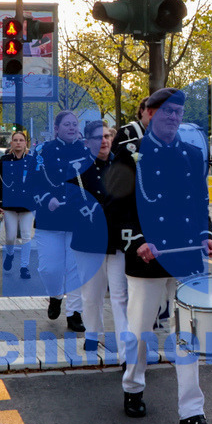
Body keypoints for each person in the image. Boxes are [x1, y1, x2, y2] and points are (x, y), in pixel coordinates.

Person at [106, 87, 212, 424]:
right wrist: (138, 241)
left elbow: (199, 201)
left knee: (187, 332)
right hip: (147, 256)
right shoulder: (130, 154)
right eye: (167, 111)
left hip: (186, 254)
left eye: (178, 112)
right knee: (141, 330)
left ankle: (192, 412)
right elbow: (116, 205)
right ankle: (133, 385)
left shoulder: (191, 154)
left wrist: (206, 233)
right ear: (151, 114)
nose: (173, 117)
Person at [71, 120, 127, 355]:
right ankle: (93, 336)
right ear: (87, 142)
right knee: (92, 295)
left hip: (117, 239)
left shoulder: (123, 164)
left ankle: (125, 344)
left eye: (106, 136)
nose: (103, 141)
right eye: (97, 137)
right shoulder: (77, 168)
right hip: (89, 239)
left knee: (120, 295)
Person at [32, 111, 87, 333]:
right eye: (67, 124)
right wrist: (47, 199)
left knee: (75, 269)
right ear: (56, 128)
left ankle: (74, 313)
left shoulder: (86, 151)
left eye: (74, 124)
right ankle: (55, 295)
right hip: (50, 219)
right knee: (49, 268)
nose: (72, 128)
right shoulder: (42, 151)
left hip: (77, 219)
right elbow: (33, 183)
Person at [0, 130, 37, 279]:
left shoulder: (32, 160)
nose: (18, 143)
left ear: (25, 143)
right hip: (10, 203)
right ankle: (10, 253)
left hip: (27, 204)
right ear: (11, 143)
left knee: (26, 235)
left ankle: (24, 267)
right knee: (10, 236)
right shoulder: (4, 160)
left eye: (21, 140)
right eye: (15, 140)